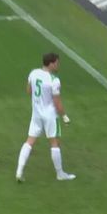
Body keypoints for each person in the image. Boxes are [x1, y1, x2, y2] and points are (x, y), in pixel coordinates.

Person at [15, 52, 75, 182]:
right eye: (57, 63)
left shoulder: (33, 73)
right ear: (51, 63)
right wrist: (64, 116)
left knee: (29, 141)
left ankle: (19, 171)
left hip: (36, 114)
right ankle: (60, 174)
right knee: (55, 143)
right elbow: (57, 102)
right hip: (50, 115)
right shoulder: (54, 80)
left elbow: (29, 91)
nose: (58, 65)